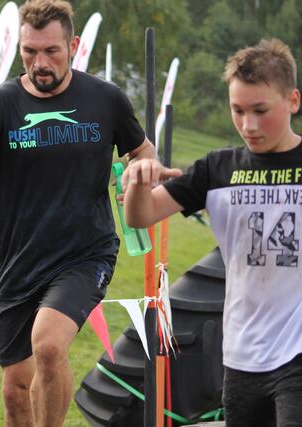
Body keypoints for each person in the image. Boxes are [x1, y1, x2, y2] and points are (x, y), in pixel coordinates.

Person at [0, 1, 156, 425]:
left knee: (50, 346)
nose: (40, 63)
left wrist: (138, 174)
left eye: (51, 51)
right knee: (16, 391)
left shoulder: (105, 99)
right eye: (30, 52)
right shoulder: (0, 105)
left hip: (86, 253)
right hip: (19, 263)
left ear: (73, 46)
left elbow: (142, 150)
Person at [123, 39, 302, 427]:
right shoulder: (217, 169)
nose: (248, 125)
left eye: (260, 111)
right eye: (238, 110)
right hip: (241, 356)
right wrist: (138, 181)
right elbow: (140, 216)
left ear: (293, 100)